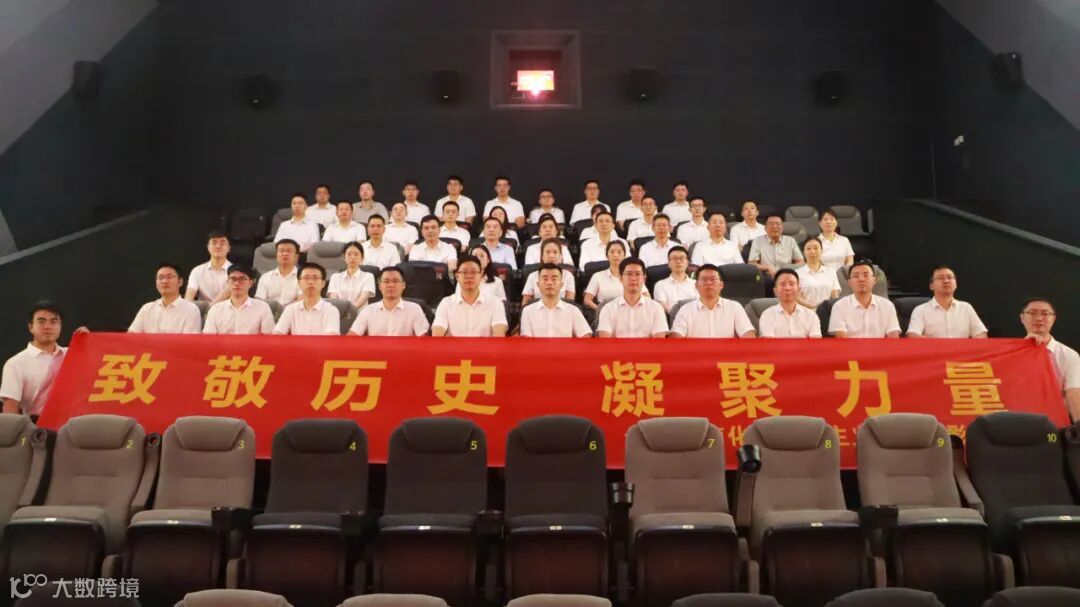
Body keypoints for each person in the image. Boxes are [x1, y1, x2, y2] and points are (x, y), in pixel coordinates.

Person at [1, 302, 76, 416]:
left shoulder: (73, 355)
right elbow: (10, 410)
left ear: (60, 326)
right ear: (31, 327)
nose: (48, 326)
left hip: (73, 423)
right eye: (41, 321)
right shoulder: (15, 364)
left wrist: (87, 341)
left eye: (54, 321)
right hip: (35, 424)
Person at [1020, 298, 1079, 421]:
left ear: (1053, 318)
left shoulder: (1069, 355)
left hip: (1055, 424)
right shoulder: (1010, 354)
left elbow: (1073, 393)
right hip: (1017, 422)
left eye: (1045, 313)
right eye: (1032, 313)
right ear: (1022, 318)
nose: (1039, 318)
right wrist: (1025, 349)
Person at [670, 265, 756, 338]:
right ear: (696, 285)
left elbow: (748, 333)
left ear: (721, 285)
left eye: (713, 279)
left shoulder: (734, 307)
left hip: (727, 353)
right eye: (704, 279)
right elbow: (676, 338)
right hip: (695, 353)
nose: (708, 283)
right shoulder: (685, 309)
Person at [432, 255, 508, 337]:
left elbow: (499, 336)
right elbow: (437, 336)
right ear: (457, 276)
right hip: (454, 346)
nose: (469, 276)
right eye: (464, 272)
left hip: (487, 346)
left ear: (481, 275)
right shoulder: (446, 304)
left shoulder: (495, 303)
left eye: (474, 272)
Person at [907, 266, 988, 338]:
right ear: (931, 286)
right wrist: (939, 347)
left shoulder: (966, 308)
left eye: (949, 277)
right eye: (940, 278)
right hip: (934, 350)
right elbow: (913, 335)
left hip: (963, 350)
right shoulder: (920, 310)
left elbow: (981, 334)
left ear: (956, 284)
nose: (946, 281)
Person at [348, 266, 430, 336]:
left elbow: (424, 339)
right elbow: (352, 336)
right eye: (386, 281)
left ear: (403, 285)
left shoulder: (414, 309)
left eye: (395, 281)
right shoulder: (368, 310)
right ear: (380, 286)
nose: (391, 285)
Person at [597, 258, 668, 338]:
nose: (633, 278)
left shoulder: (656, 308)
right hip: (617, 347)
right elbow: (605, 342)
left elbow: (659, 342)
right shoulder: (608, 308)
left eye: (638, 274)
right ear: (621, 278)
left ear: (644, 279)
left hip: (646, 347)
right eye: (629, 274)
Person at [828, 261, 900, 338]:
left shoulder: (888, 306)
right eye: (856, 276)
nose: (861, 279)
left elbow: (893, 337)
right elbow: (841, 340)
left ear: (874, 280)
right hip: (850, 346)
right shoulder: (839, 306)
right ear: (849, 283)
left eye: (866, 275)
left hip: (880, 346)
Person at [520, 263, 592, 338]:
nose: (549, 283)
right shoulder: (527, 311)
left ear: (561, 285)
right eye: (545, 279)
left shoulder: (573, 310)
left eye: (554, 279)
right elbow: (526, 340)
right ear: (538, 285)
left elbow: (585, 335)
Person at [129, 263, 202, 334]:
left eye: (169, 277)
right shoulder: (146, 309)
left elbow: (189, 340)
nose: (164, 281)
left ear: (180, 282)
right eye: (160, 278)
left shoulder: (191, 310)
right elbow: (131, 336)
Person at [203, 266, 275, 335]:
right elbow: (208, 339)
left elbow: (269, 338)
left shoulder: (263, 307)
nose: (237, 283)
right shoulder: (215, 310)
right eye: (233, 279)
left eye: (242, 279)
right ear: (228, 282)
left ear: (250, 283)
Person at [273, 263, 340, 335]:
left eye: (315, 278)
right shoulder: (291, 309)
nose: (310, 282)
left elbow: (331, 337)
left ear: (323, 283)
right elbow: (277, 333)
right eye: (306, 278)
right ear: (299, 283)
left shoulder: (331, 310)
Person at [584, 241, 652, 311]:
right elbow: (587, 300)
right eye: (612, 252)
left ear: (624, 256)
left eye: (619, 252)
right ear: (607, 256)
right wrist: (600, 310)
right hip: (607, 311)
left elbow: (647, 297)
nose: (615, 255)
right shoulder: (597, 276)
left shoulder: (632, 276)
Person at [759, 269, 822, 338]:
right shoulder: (767, 315)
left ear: (798, 289)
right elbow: (769, 343)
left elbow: (815, 342)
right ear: (775, 291)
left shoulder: (811, 315)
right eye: (782, 284)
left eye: (791, 284)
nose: (787, 288)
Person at [749, 214, 804, 281]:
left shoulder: (790, 241)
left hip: (787, 276)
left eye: (778, 224)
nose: (775, 226)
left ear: (782, 227)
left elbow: (801, 263)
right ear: (765, 228)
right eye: (771, 224)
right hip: (766, 277)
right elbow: (751, 264)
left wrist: (786, 268)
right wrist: (767, 267)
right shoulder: (758, 241)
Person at [521, 239, 576, 305]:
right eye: (547, 252)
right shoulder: (532, 275)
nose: (551, 256)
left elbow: (570, 302)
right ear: (542, 257)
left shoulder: (569, 276)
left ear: (561, 257)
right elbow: (525, 303)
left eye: (555, 252)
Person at [185, 230, 232, 303]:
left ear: (228, 248)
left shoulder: (236, 272)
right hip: (203, 308)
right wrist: (186, 306)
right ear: (208, 247)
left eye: (222, 243)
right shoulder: (197, 271)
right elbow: (189, 294)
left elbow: (229, 293)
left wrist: (211, 307)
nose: (218, 246)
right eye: (214, 243)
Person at [795, 237, 841, 309]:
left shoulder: (831, 272)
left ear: (822, 251)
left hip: (827, 311)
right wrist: (813, 307)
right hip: (805, 311)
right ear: (804, 253)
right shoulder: (796, 274)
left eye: (816, 248)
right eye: (808, 249)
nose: (812, 251)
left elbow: (834, 295)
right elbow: (796, 297)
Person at [327, 242, 376, 309]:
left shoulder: (368, 276)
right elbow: (334, 300)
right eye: (349, 254)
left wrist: (350, 312)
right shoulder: (335, 277)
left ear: (362, 257)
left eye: (356, 254)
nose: (352, 257)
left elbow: (364, 297)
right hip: (339, 313)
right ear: (344, 257)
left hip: (361, 313)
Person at [255, 239, 301, 306]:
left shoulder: (303, 277)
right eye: (281, 251)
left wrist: (285, 309)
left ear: (296, 257)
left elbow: (303, 299)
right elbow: (259, 300)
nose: (285, 254)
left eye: (289, 251)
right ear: (276, 255)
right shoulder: (265, 277)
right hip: (270, 311)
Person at [653, 246, 697, 312]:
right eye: (674, 258)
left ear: (687, 263)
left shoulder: (697, 284)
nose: (678, 261)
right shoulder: (660, 285)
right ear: (668, 264)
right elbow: (663, 308)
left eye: (682, 258)